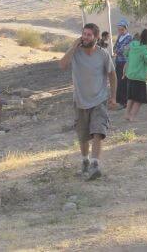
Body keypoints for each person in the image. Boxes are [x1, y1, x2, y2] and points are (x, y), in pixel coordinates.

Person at [59, 23, 116, 181]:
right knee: (83, 136)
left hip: (99, 99)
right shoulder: (75, 53)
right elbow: (62, 65)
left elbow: (112, 75)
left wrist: (113, 97)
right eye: (84, 34)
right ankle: (85, 161)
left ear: (96, 38)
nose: (85, 37)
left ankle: (95, 164)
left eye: (89, 35)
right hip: (80, 101)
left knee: (98, 131)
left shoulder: (103, 54)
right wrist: (72, 47)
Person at [124, 29, 147, 122]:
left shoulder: (133, 45)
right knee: (139, 99)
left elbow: (125, 53)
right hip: (139, 77)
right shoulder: (145, 49)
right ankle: (132, 116)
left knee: (131, 97)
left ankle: (127, 114)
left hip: (130, 75)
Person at [112, 19, 133, 110]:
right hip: (118, 61)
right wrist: (117, 50)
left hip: (125, 62)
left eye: (121, 29)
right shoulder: (119, 37)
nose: (120, 31)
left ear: (125, 29)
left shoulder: (129, 38)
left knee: (123, 82)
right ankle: (118, 100)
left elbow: (123, 49)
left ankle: (124, 101)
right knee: (118, 81)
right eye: (119, 29)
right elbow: (115, 48)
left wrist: (117, 50)